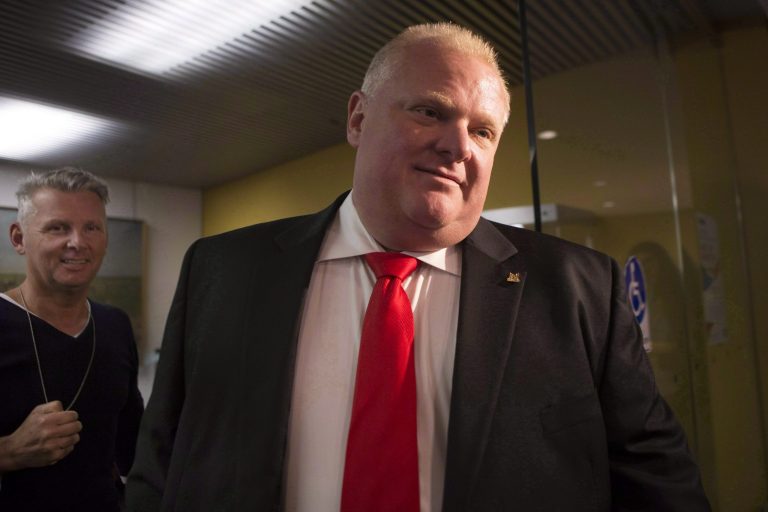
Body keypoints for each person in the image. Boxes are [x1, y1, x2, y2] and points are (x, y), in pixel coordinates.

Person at [127, 23, 710, 511]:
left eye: (482, 131)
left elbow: (660, 486)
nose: (459, 146)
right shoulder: (223, 271)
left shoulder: (581, 291)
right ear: (358, 119)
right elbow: (160, 466)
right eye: (431, 112)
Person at [0, 167, 144, 511]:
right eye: (58, 227)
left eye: (91, 227)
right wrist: (8, 452)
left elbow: (134, 444)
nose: (78, 242)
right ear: (19, 238)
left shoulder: (115, 324)